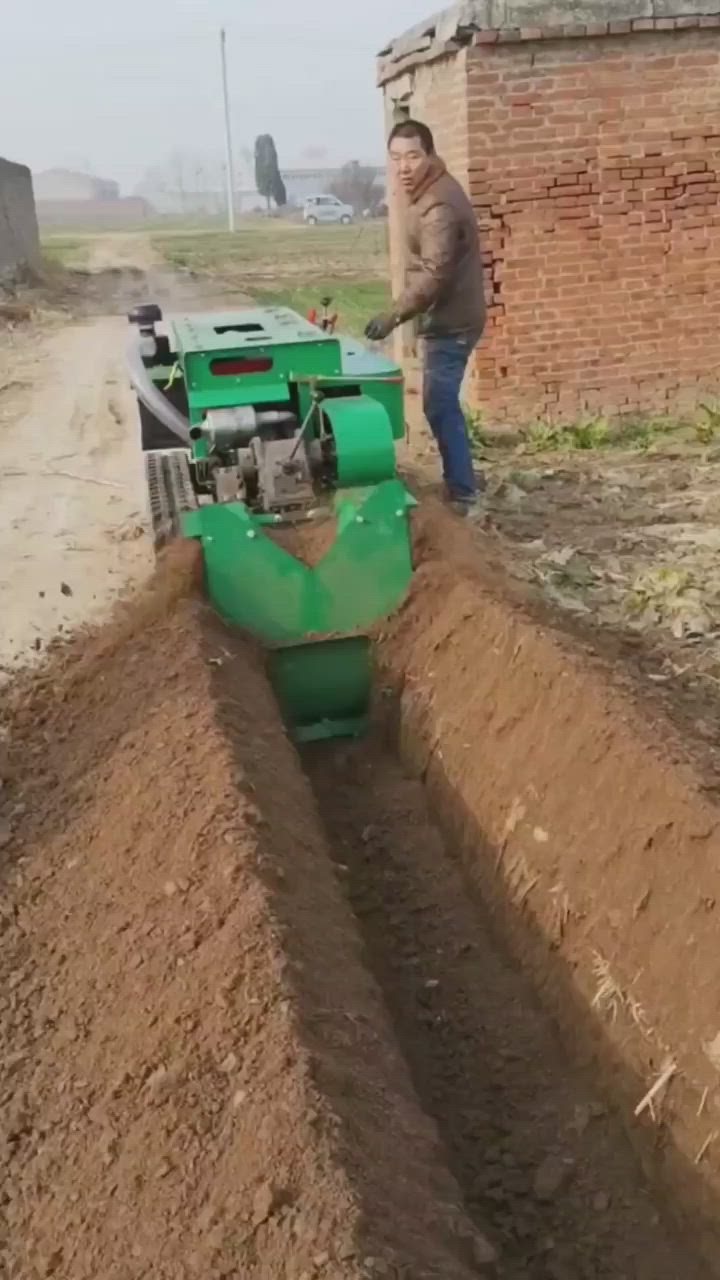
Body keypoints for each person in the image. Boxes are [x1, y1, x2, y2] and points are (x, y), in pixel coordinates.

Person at [365, 120, 486, 516]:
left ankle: (465, 493)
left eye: (413, 156)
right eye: (396, 157)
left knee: (439, 404)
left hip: (452, 321)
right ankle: (462, 479)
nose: (404, 166)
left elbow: (435, 274)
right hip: (446, 316)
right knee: (440, 403)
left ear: (429, 155)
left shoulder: (438, 206)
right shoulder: (423, 193)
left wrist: (393, 315)